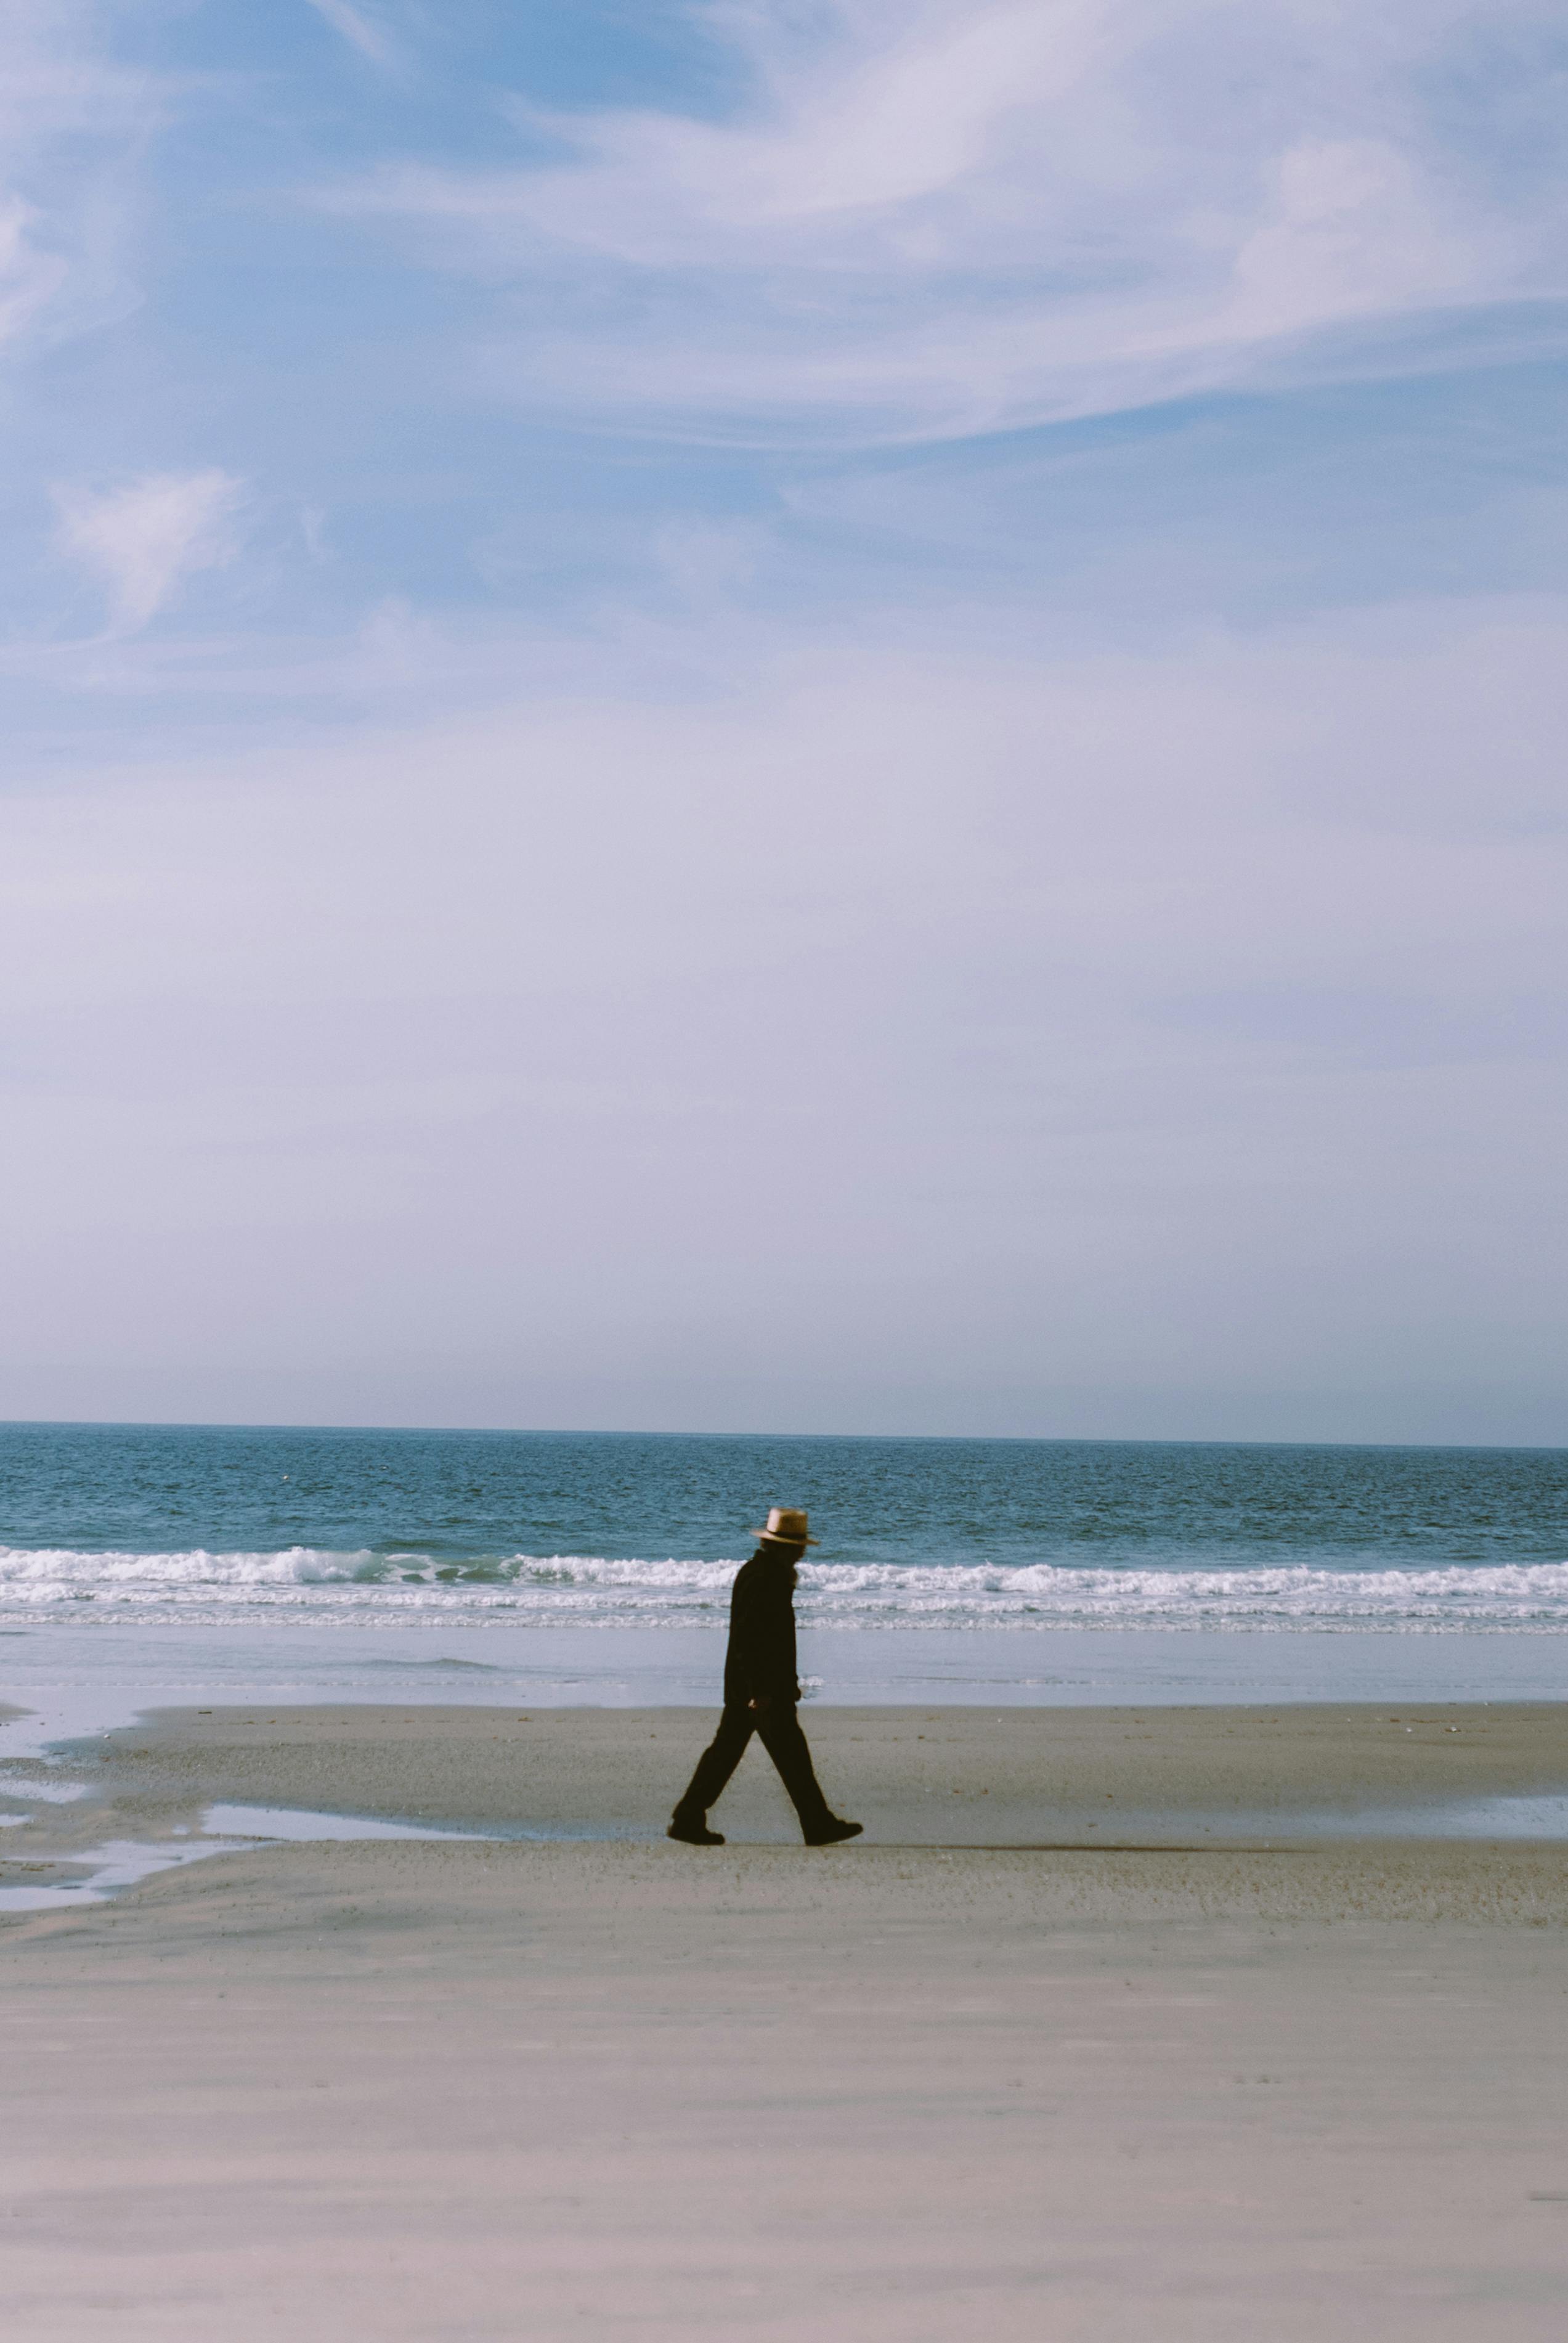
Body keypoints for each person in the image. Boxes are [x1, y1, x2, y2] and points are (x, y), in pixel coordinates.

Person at [668, 1507, 863, 1848]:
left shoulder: (763, 1573)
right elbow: (751, 1638)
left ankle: (688, 1817)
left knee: (729, 1755)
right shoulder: (766, 1578)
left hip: (754, 1687)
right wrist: (762, 1690)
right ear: (785, 1547)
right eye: (798, 1546)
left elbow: (764, 1639)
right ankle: (817, 1824)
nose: (802, 1552)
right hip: (760, 1691)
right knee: (789, 1757)